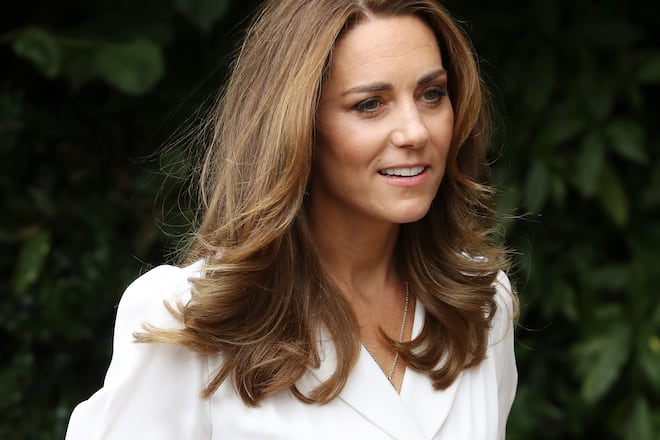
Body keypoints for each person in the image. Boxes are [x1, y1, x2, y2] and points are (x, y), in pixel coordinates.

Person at [66, 0, 518, 438]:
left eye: (431, 94)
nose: (415, 131)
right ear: (298, 125)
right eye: (370, 104)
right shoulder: (191, 319)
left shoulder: (480, 303)